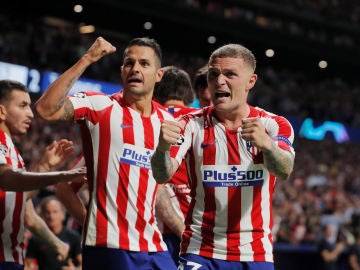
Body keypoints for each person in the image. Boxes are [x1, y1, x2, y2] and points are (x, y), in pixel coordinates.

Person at [35, 36, 183, 270]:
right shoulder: (100, 106)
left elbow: (163, 178)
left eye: (144, 64)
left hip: (154, 244)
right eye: (129, 63)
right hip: (109, 246)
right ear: (122, 71)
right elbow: (45, 109)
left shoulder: (167, 122)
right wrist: (87, 58)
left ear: (158, 75)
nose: (135, 68)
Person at [151, 43, 295, 270]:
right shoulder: (190, 123)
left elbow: (284, 169)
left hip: (254, 253)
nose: (219, 81)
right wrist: (161, 149)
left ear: (251, 81)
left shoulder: (274, 124)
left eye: (230, 74)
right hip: (200, 251)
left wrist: (267, 145)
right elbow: (161, 173)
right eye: (214, 74)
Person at [0, 79, 86, 270]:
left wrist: (45, 166)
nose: (30, 114)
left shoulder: (11, 150)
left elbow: (23, 203)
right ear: (1, 111)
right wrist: (62, 176)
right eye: (23, 106)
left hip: (10, 257)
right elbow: (6, 180)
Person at [153, 66, 198, 265]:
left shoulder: (149, 118)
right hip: (199, 232)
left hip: (158, 232)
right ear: (188, 93)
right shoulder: (201, 120)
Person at [25, 196, 82, 270]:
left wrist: (75, 269)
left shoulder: (73, 237)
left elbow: (84, 264)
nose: (51, 216)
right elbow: (28, 265)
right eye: (47, 212)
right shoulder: (35, 239)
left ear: (63, 214)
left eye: (55, 212)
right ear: (42, 215)